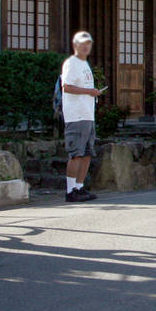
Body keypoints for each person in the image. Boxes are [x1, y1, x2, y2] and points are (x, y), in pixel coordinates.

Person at [61, 31, 101, 202]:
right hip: (76, 115)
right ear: (75, 45)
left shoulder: (85, 64)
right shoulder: (71, 63)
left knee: (87, 153)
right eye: (82, 43)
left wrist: (93, 93)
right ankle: (70, 190)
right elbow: (67, 86)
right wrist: (89, 91)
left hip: (87, 114)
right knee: (76, 153)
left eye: (88, 43)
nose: (85, 46)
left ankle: (79, 186)